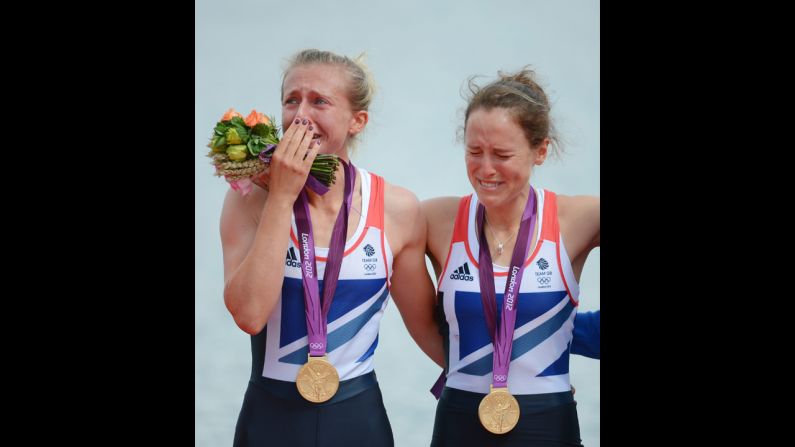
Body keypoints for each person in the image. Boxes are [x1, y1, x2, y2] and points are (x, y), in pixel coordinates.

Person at [220, 49, 443, 447]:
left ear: (357, 121)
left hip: (357, 421)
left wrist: (516, 383)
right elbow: (250, 315)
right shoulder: (250, 198)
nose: (301, 113)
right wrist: (281, 197)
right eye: (292, 100)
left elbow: (427, 327)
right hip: (269, 422)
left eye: (319, 100)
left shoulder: (396, 209)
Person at [422, 67, 599, 446]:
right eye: (474, 152)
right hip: (458, 422)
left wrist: (576, 333)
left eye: (501, 155)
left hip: (548, 423)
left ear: (541, 150)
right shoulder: (436, 220)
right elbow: (343, 226)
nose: (485, 169)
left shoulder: (578, 219)